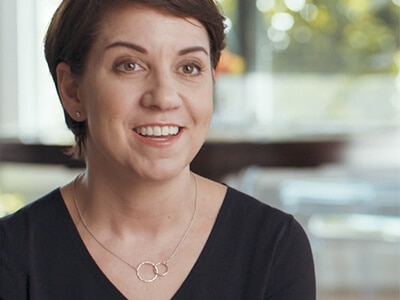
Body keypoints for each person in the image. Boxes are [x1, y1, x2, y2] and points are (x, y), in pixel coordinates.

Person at [0, 0, 315, 299]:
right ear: (72, 91)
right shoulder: (11, 254)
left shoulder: (273, 246)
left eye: (189, 67)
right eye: (130, 65)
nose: (164, 97)